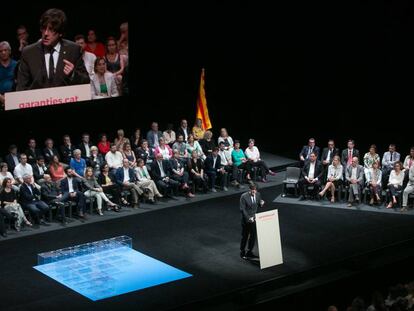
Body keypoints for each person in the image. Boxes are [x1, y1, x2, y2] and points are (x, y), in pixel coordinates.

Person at [16, 8, 89, 90]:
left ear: (60, 32)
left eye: (51, 29)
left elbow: (86, 81)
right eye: (44, 28)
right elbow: (21, 88)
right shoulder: (28, 52)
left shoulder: (73, 50)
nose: (46, 33)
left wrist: (73, 75)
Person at [239, 183, 264, 259]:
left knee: (253, 236)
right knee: (245, 236)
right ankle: (242, 251)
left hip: (254, 219)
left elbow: (259, 203)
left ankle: (250, 251)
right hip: (246, 220)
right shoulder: (244, 196)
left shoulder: (258, 194)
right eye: (252, 190)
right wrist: (248, 218)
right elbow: (242, 210)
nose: (254, 191)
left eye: (255, 190)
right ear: (249, 189)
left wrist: (261, 203)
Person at [0, 41, 17, 107]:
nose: (3, 53)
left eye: (5, 50)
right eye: (0, 51)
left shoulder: (16, 65)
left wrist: (11, 98)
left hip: (14, 98)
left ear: (9, 51)